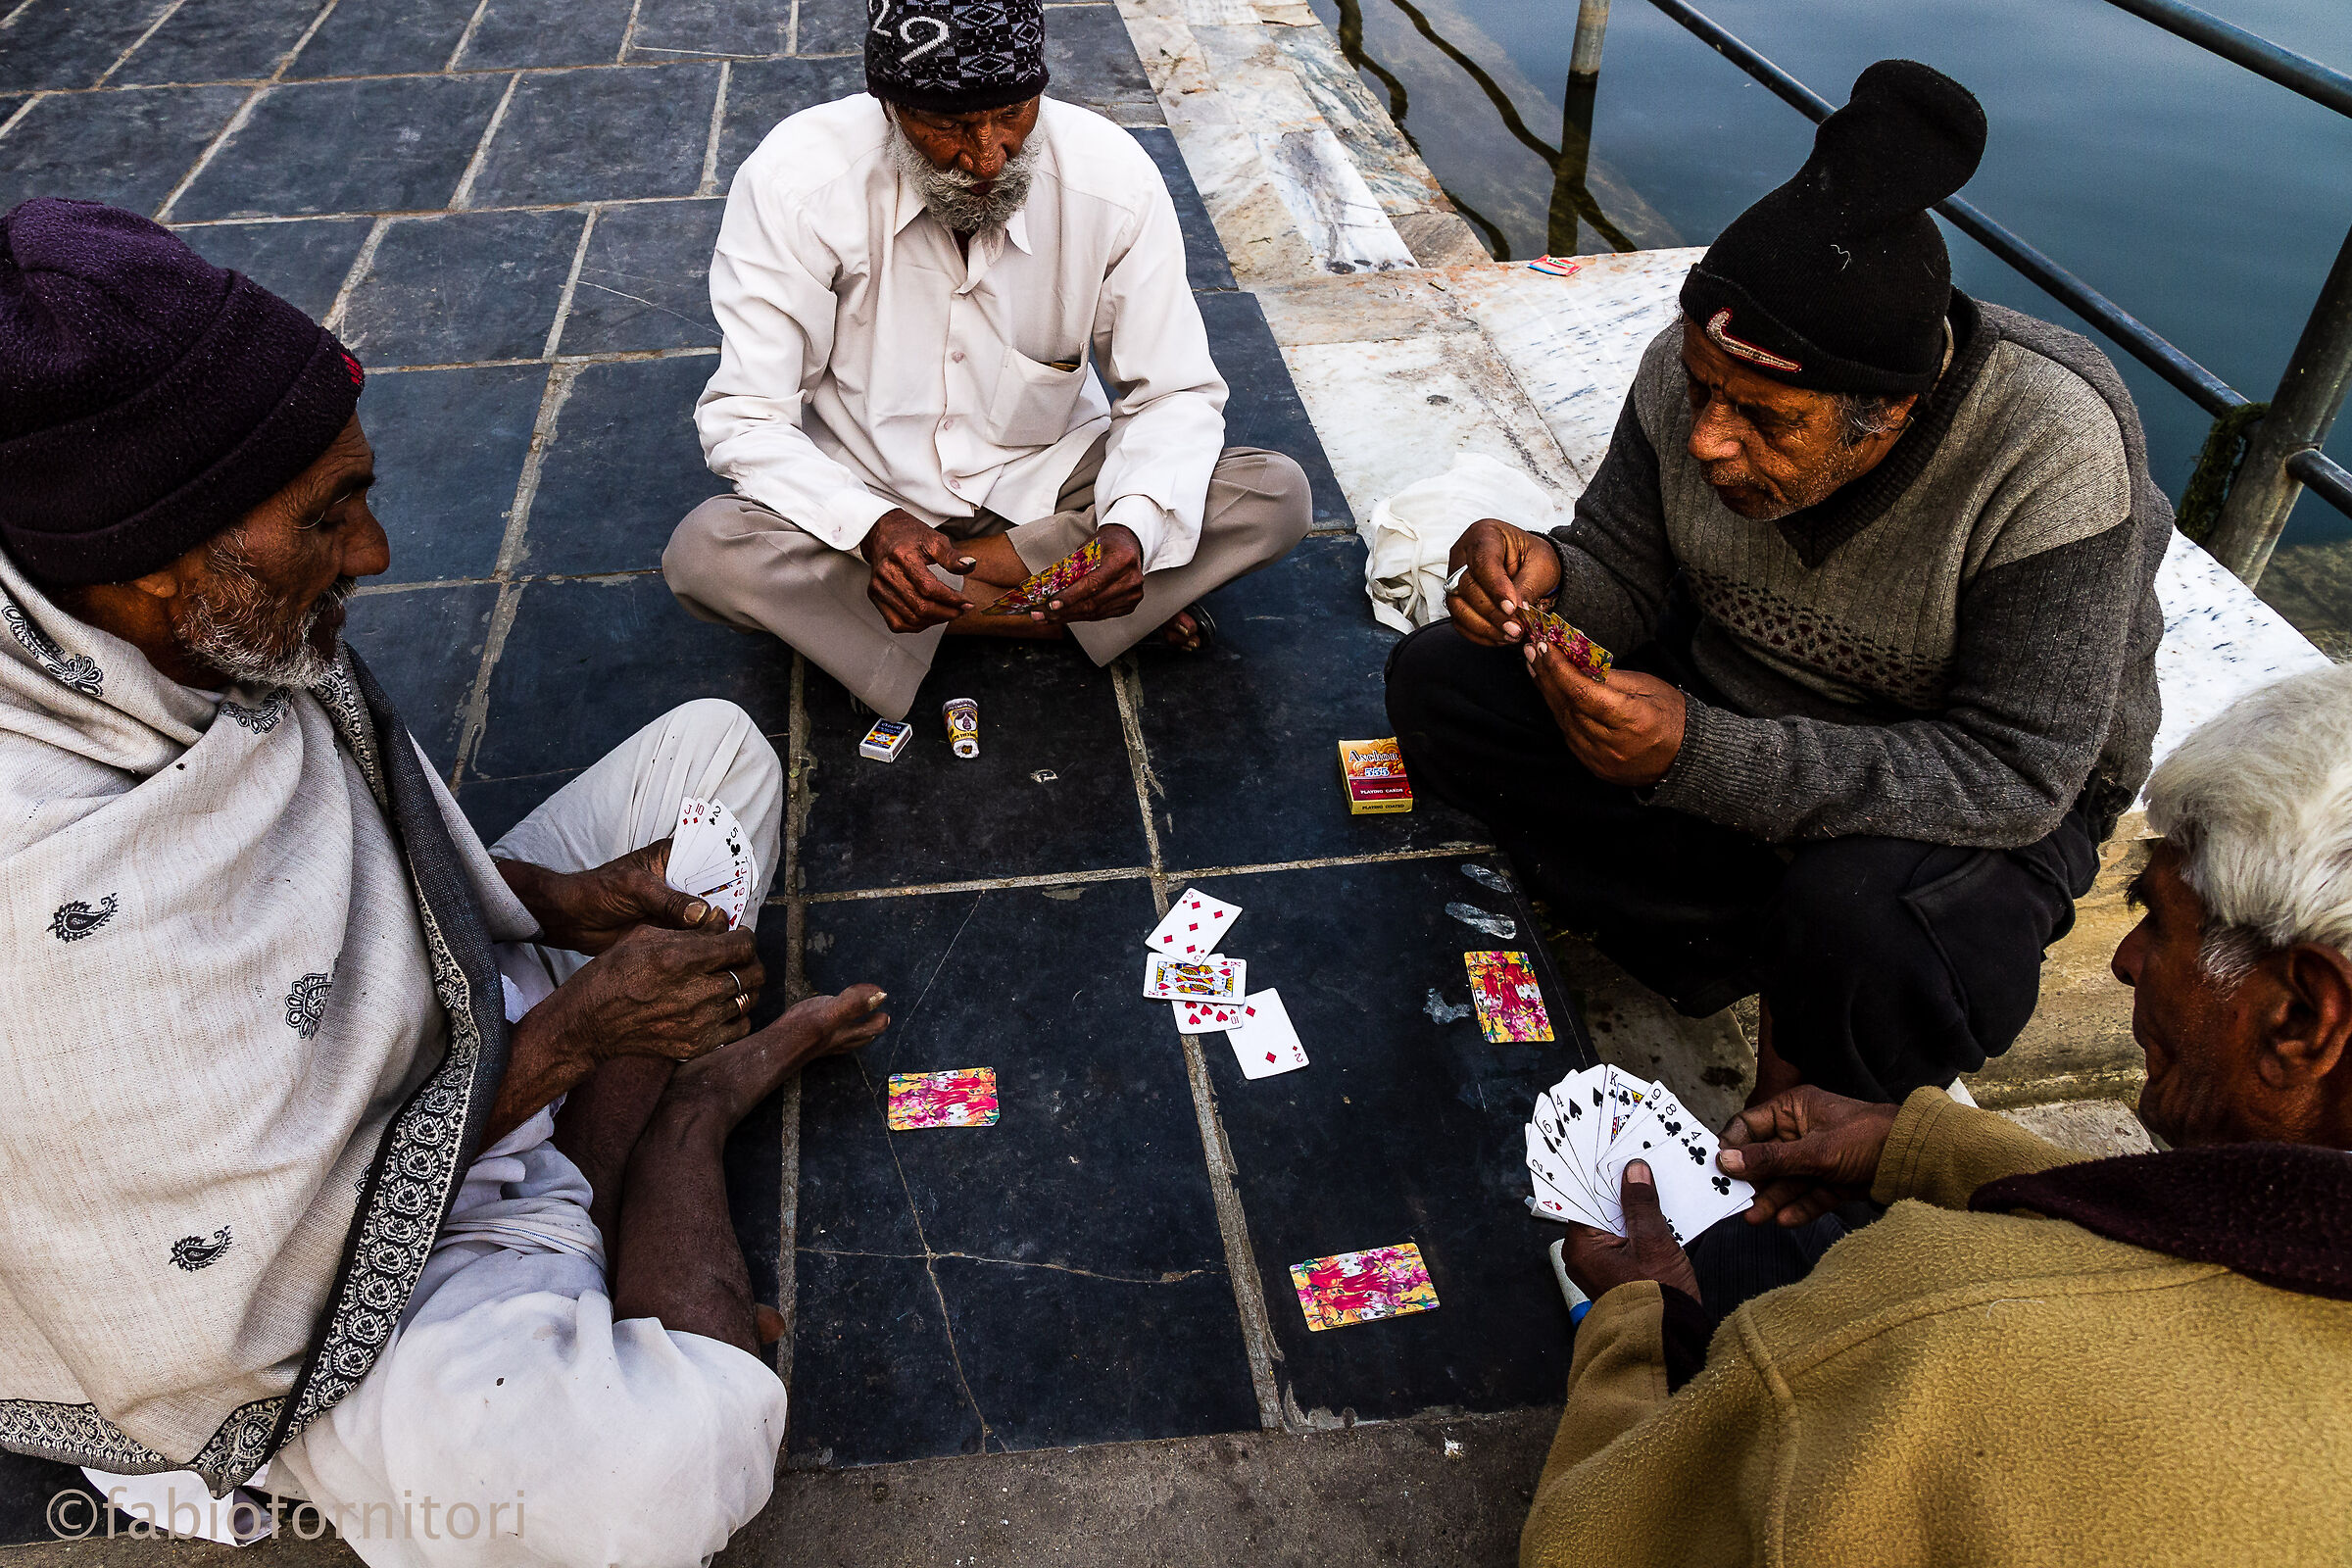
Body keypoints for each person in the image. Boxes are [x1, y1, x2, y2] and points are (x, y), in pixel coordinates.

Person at [0, 199, 891, 1568]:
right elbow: (256, 1250)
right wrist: (582, 1039)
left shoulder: (196, 621)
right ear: (153, 564)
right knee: (627, 1500)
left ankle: (598, 1182)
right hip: (305, 1282)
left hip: (443, 1028)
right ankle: (680, 1125)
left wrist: (551, 900)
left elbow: (361, 843)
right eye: (327, 519)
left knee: (715, 768)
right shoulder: (43, 887)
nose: (375, 556)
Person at [1385, 61, 2172, 1105]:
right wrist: (1547, 578)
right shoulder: (1698, 359)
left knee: (1866, 922)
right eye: (1707, 394)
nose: (1710, 438)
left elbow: (2019, 773)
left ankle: (1817, 1061)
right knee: (1442, 682)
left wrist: (1699, 756)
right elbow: (1621, 560)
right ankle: (1734, 936)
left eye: (1763, 421)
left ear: (1887, 414)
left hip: (1961, 792)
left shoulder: (2049, 449)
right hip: (1735, 702)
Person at [1520, 662, 2352, 1566]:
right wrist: (1925, 1144)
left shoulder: (1938, 1326)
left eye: (2157, 921)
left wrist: (1643, 1329)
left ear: (2301, 1017)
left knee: (1725, 1264)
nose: (2124, 959)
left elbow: (1590, 1544)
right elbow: (2226, 1219)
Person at [662, 0, 1312, 720]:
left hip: (1051, 483)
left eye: (1013, 114)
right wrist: (872, 526)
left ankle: (928, 616)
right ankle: (1056, 611)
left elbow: (1173, 394)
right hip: (872, 498)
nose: (988, 156)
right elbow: (747, 415)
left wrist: (1129, 529)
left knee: (1274, 495)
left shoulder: (1112, 179)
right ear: (890, 104)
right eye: (947, 127)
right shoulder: (797, 182)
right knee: (708, 553)